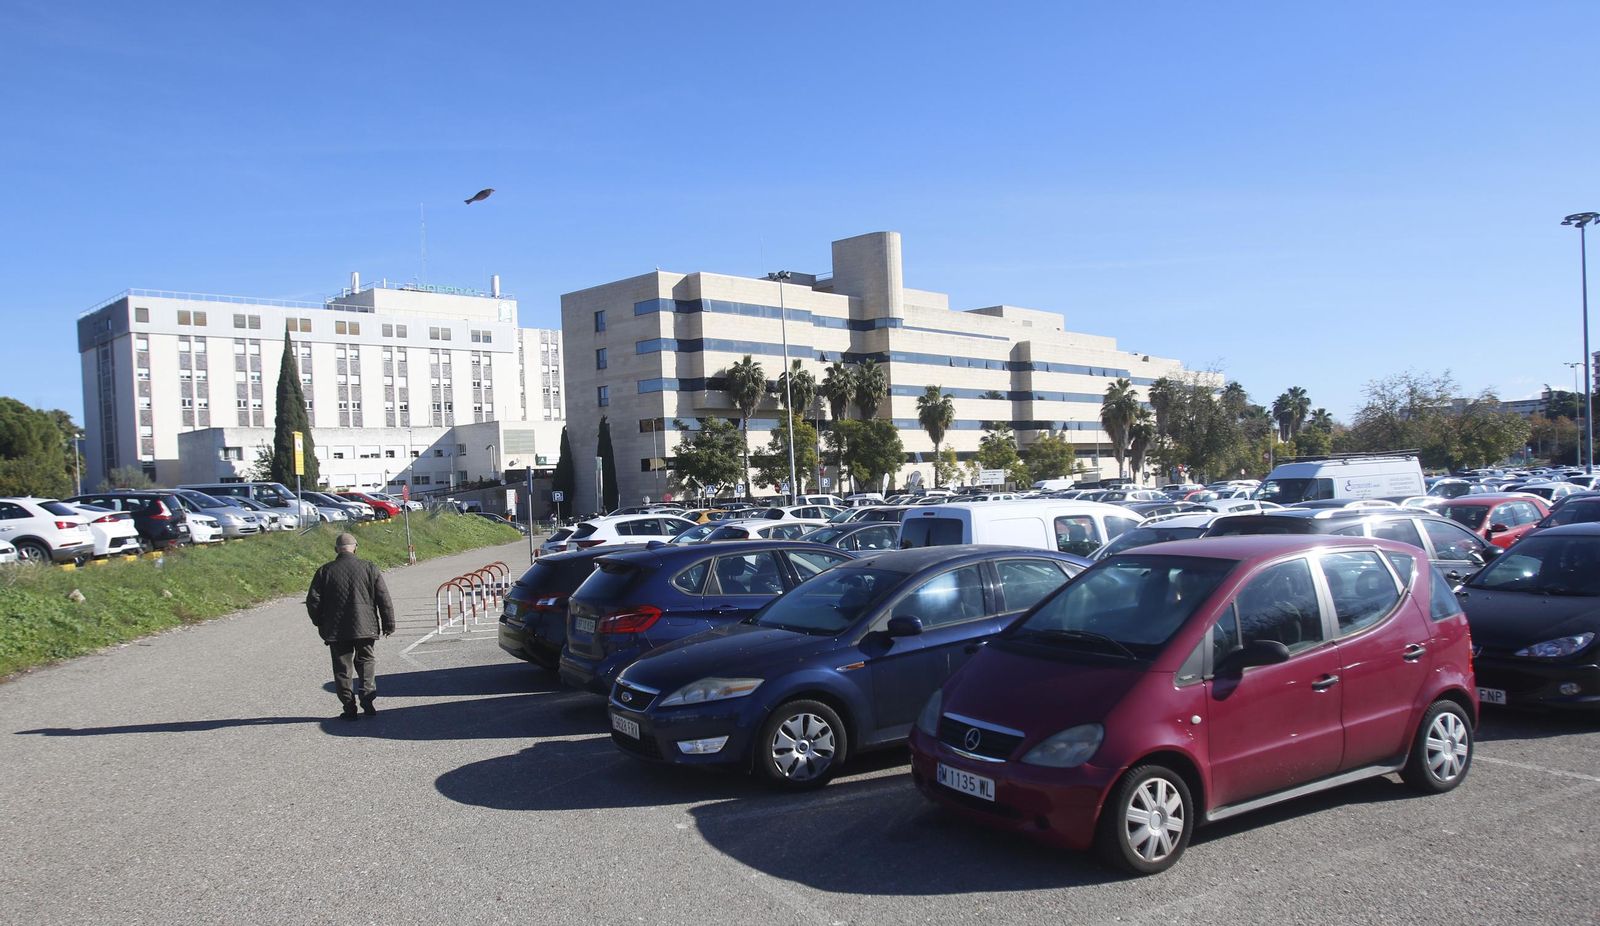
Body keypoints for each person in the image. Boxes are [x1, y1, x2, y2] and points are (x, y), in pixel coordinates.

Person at [305, 532, 395, 720]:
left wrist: (320, 622)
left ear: (336, 549)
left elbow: (313, 601)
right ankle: (367, 699)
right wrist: (388, 623)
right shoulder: (369, 568)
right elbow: (383, 598)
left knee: (342, 668)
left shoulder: (324, 571)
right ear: (356, 547)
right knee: (366, 662)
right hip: (365, 626)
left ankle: (349, 707)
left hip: (337, 629)